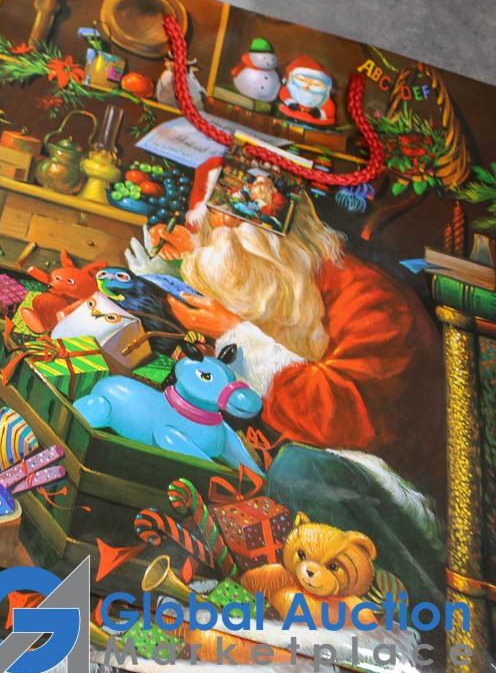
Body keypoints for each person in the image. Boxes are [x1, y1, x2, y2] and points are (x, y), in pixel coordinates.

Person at [126, 162, 444, 484]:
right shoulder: (278, 278)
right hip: (275, 453)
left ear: (276, 243)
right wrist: (168, 278)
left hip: (372, 481)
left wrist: (235, 335)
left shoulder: (373, 302)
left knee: (294, 468)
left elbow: (338, 421)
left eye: (228, 237)